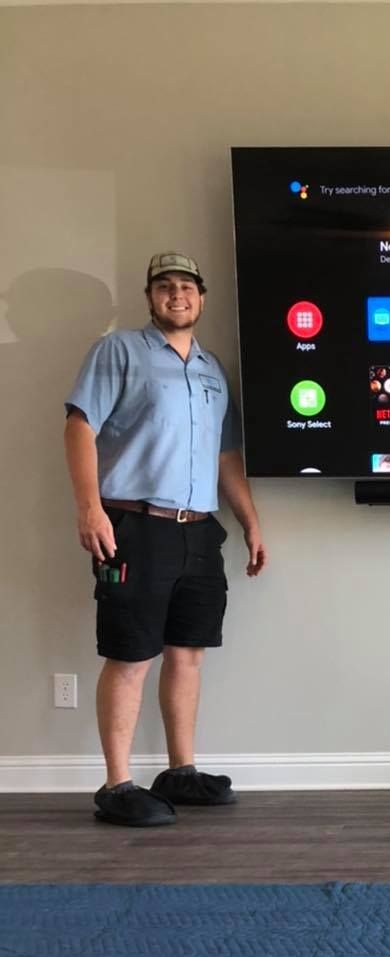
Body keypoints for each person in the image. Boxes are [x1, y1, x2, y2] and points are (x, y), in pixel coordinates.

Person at [64, 251, 266, 826]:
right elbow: (79, 426)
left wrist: (250, 521)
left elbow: (225, 455)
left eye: (186, 286)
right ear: (151, 297)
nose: (177, 294)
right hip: (135, 526)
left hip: (199, 532)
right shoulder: (118, 350)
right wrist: (90, 509)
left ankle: (181, 772)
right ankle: (116, 785)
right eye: (164, 286)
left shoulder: (211, 368)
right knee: (131, 655)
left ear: (201, 297)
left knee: (187, 652)